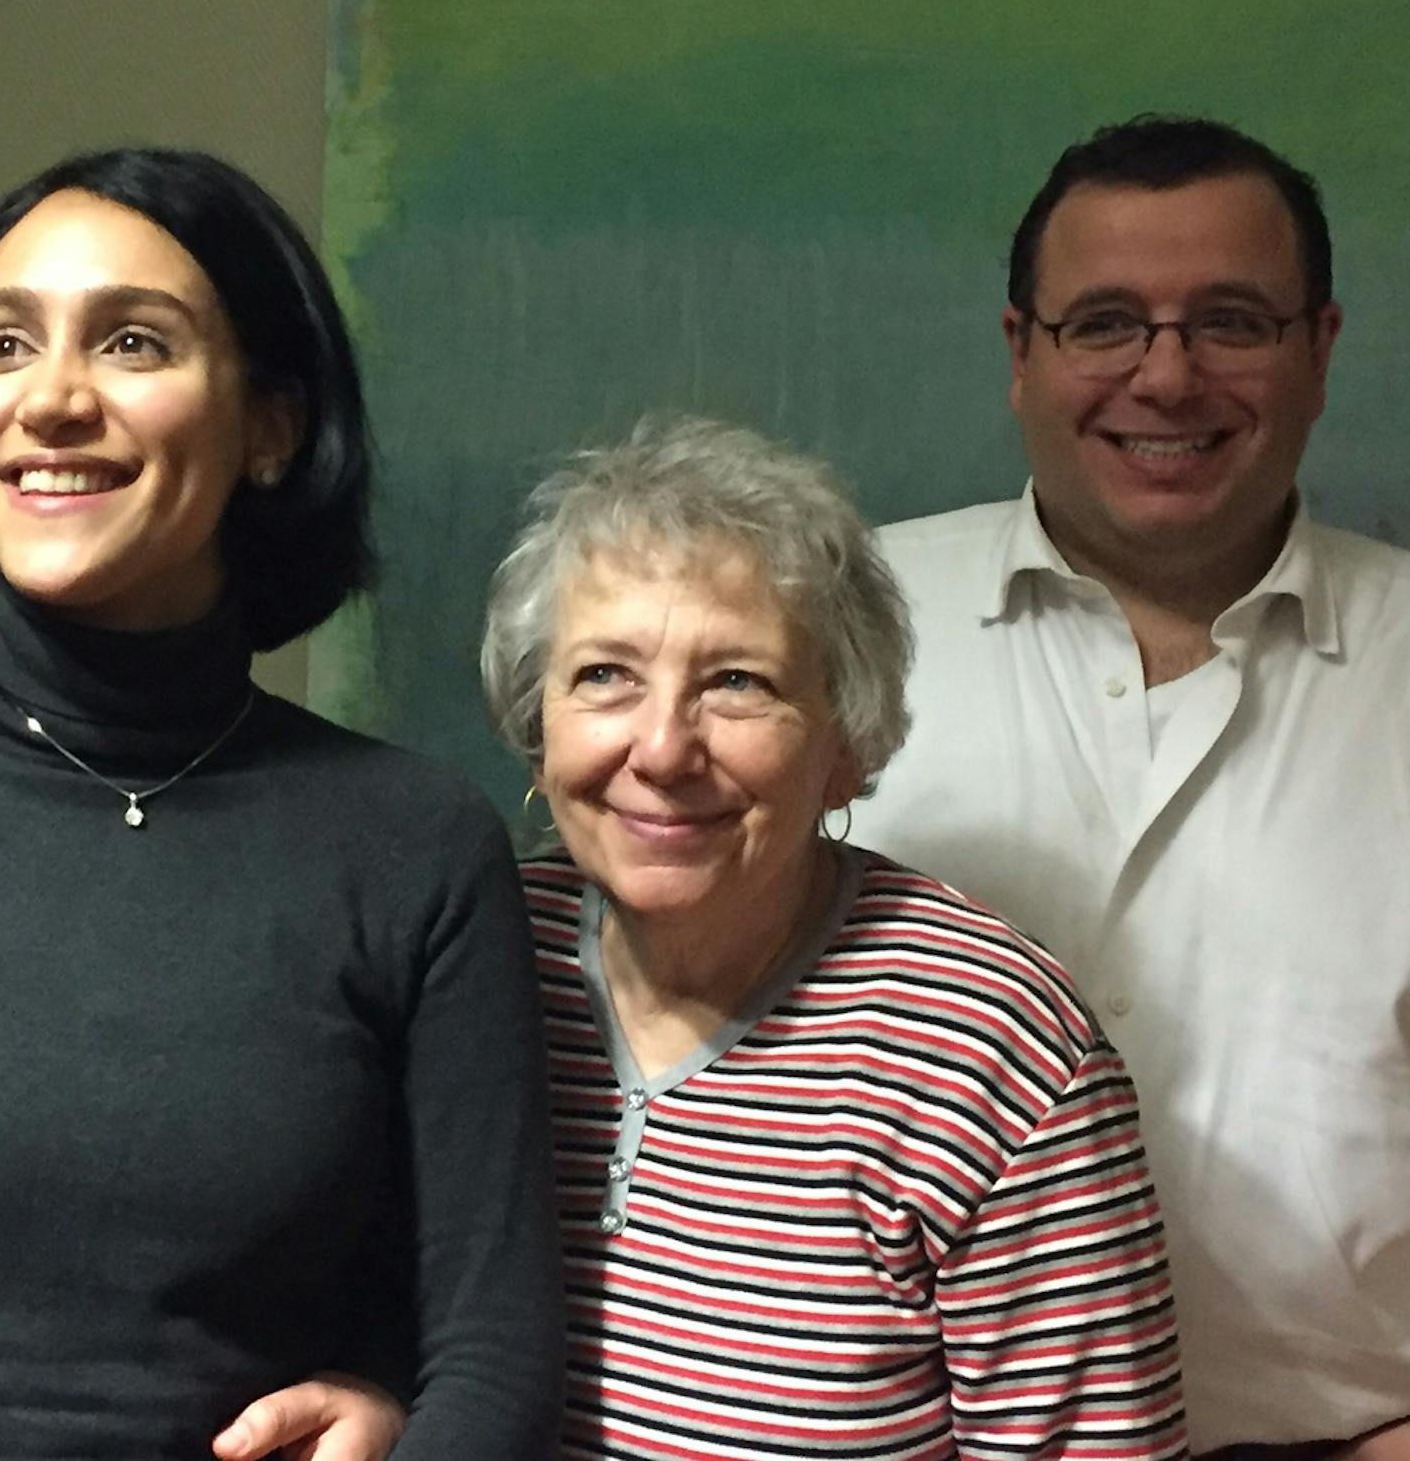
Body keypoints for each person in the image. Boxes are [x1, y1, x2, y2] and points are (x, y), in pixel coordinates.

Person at [0, 147, 566, 1458]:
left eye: (133, 341)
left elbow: (494, 1354)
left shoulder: (418, 841)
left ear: (271, 424)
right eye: (3, 344)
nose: (50, 400)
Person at [850, 116, 1410, 1459]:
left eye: (1231, 320)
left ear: (1321, 348)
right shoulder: (821, 632)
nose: (1168, 376)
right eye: (1105, 323)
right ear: (1020, 353)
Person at [478, 417, 1188, 1458]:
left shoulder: (994, 1046)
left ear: (847, 747)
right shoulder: (470, 958)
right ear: (538, 729)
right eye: (604, 676)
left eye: (738, 682)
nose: (664, 747)